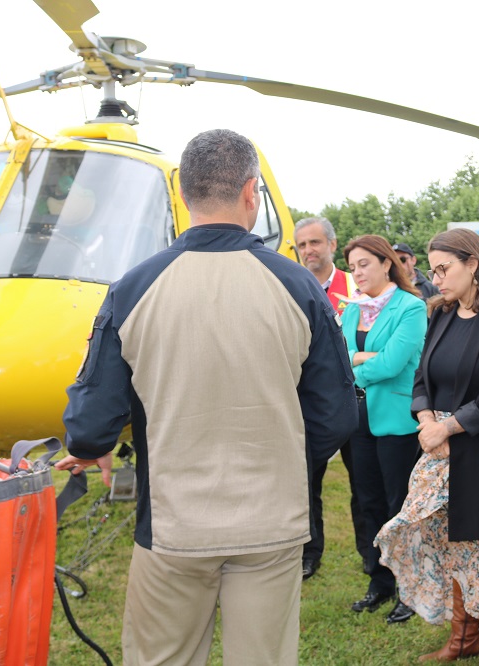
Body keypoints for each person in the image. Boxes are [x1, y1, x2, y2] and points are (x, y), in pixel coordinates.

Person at [54, 129, 358, 665]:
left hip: (173, 523)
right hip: (272, 521)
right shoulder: (299, 286)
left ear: (182, 192)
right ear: (251, 193)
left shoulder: (134, 287)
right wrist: (280, 455)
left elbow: (92, 424)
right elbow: (336, 414)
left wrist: (91, 442)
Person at [376, 228, 479, 665]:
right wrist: (425, 422)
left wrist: (449, 428)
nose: (436, 278)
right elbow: (422, 379)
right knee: (443, 542)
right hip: (434, 449)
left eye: (444, 268)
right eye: (433, 269)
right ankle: (463, 637)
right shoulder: (438, 312)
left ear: (472, 263)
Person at [340, 234, 427, 624]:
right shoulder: (351, 309)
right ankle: (379, 580)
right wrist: (361, 358)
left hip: (397, 421)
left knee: (399, 505)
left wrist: (357, 364)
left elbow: (393, 364)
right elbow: (338, 357)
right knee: (367, 500)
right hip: (358, 418)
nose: (357, 273)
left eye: (364, 264)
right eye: (353, 266)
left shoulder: (411, 307)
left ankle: (409, 588)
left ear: (386, 263)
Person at [293, 216, 371, 581]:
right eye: (302, 245)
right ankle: (309, 552)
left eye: (315, 243)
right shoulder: (289, 284)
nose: (308, 251)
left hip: (353, 400)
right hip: (306, 404)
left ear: (332, 245)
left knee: (364, 486)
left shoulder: (358, 284)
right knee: (307, 484)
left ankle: (373, 558)